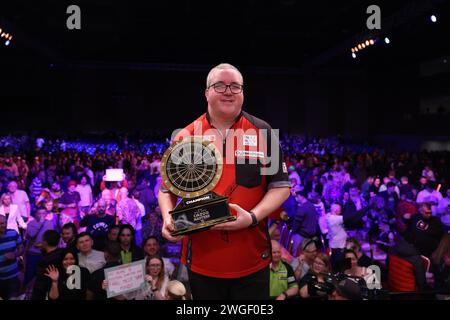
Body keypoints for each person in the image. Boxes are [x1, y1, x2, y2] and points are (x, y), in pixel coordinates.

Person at [158, 63, 291, 300]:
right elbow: (166, 190)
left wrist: (251, 217)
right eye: (219, 85)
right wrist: (168, 218)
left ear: (243, 93)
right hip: (201, 260)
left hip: (252, 258)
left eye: (235, 86)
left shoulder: (263, 132)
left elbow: (280, 188)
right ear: (206, 92)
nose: (228, 91)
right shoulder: (186, 135)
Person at [24, 208, 55, 286]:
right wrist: (40, 223)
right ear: (35, 214)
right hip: (33, 253)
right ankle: (26, 294)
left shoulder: (49, 223)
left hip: (45, 253)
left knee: (43, 275)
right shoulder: (31, 223)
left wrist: (44, 245)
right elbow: (31, 235)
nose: (42, 215)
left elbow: (51, 237)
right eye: (39, 213)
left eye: (44, 213)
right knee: (30, 274)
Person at [31, 230, 62, 300]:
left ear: (45, 242)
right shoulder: (61, 253)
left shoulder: (44, 262)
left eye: (42, 240)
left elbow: (40, 284)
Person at [0, 215, 23, 300]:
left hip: (13, 276)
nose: (4, 225)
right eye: (1, 223)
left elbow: (21, 249)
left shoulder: (13, 233)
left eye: (5, 222)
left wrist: (15, 254)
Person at [290, 190, 318, 256]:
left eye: (297, 197)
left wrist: (293, 231)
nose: (296, 199)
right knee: (308, 255)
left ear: (301, 196)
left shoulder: (302, 208)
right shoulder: (312, 206)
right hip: (310, 236)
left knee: (297, 255)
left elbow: (297, 222)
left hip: (301, 235)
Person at [326, 204, 347, 269]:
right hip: (338, 246)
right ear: (336, 210)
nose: (341, 211)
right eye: (340, 209)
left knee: (336, 262)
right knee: (339, 265)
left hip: (337, 245)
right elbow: (350, 217)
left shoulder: (330, 217)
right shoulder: (335, 218)